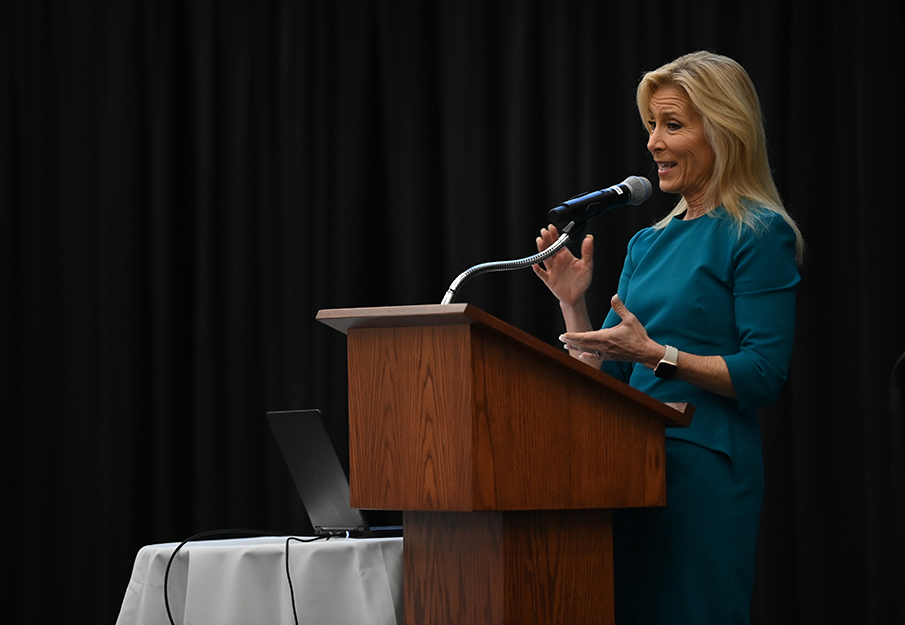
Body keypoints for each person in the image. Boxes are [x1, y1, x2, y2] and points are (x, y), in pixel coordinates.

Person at [533, 51, 804, 625]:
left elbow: (764, 373)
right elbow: (601, 372)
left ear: (724, 131)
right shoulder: (646, 245)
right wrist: (572, 301)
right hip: (625, 471)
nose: (654, 142)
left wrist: (659, 357)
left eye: (673, 125)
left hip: (703, 475)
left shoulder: (758, 232)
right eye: (651, 125)